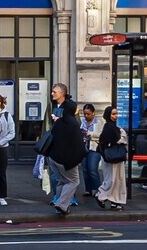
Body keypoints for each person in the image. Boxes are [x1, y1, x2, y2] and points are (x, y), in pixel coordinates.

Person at [41, 82, 88, 216]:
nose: (52, 94)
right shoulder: (53, 107)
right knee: (71, 180)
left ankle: (62, 202)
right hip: (63, 153)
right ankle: (61, 202)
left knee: (62, 179)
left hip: (55, 152)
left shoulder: (68, 110)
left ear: (62, 93)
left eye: (54, 92)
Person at [95, 106, 129, 211]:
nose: (116, 116)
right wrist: (122, 134)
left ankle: (114, 201)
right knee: (113, 179)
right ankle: (101, 195)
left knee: (116, 180)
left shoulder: (110, 126)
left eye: (116, 113)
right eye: (113, 114)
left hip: (111, 156)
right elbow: (118, 140)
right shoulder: (111, 127)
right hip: (113, 157)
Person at [77, 103, 102, 200]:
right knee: (84, 169)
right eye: (85, 114)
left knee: (92, 168)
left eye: (88, 114)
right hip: (83, 148)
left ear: (93, 113)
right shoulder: (82, 121)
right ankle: (88, 189)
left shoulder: (98, 122)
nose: (86, 116)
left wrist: (89, 133)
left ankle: (97, 189)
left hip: (94, 148)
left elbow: (100, 135)